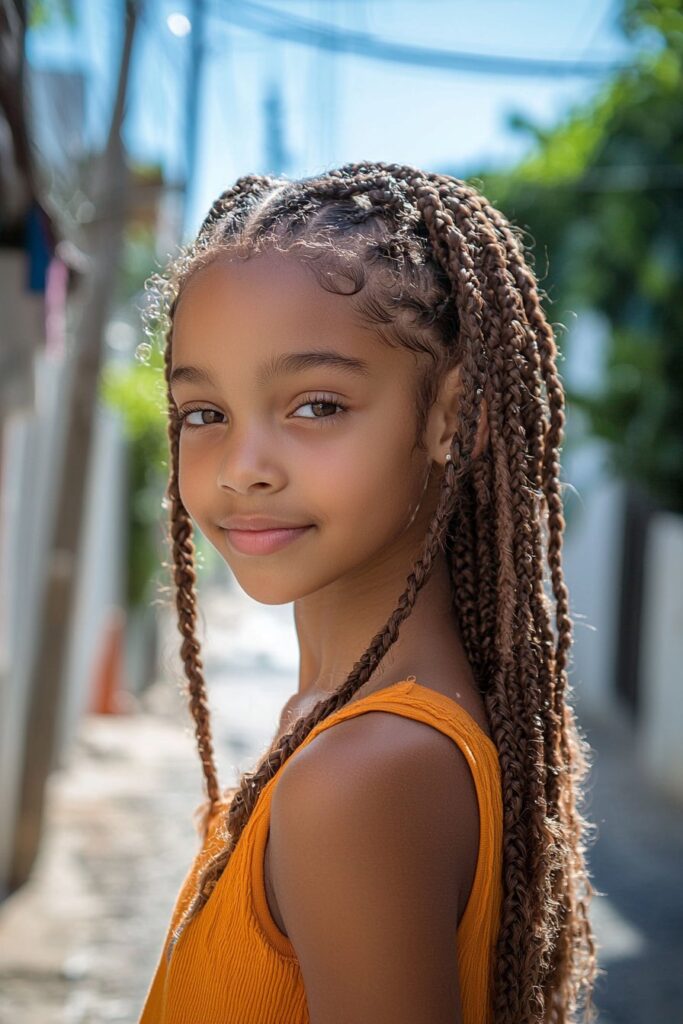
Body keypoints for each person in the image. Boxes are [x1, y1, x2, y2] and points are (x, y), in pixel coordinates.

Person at [137, 161, 599, 1024]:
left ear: (450, 418)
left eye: (315, 405)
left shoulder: (360, 776)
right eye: (204, 414)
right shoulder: (345, 726)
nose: (242, 469)